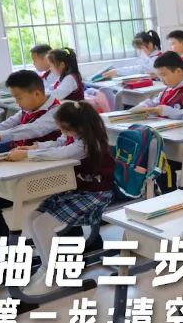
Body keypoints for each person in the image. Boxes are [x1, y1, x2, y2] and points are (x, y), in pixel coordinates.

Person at [9, 102, 114, 283]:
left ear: (79, 127)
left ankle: (54, 272)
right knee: (33, 218)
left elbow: (63, 153)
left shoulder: (89, 144)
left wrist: (28, 155)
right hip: (79, 190)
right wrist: (35, 148)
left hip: (96, 193)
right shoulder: (78, 135)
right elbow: (59, 142)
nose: (62, 132)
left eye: (64, 129)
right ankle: (46, 266)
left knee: (42, 224)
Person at [0, 70, 62, 256]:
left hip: (49, 175)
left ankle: (1, 254)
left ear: (36, 93)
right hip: (26, 170)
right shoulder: (28, 110)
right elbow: (6, 124)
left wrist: (0, 136)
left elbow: (34, 129)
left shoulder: (57, 112)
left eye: (19, 97)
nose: (16, 102)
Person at [128, 51, 183, 123]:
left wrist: (168, 111)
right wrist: (143, 106)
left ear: (178, 71)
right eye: (159, 76)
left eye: (163, 75)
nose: (161, 80)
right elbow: (154, 102)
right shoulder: (168, 89)